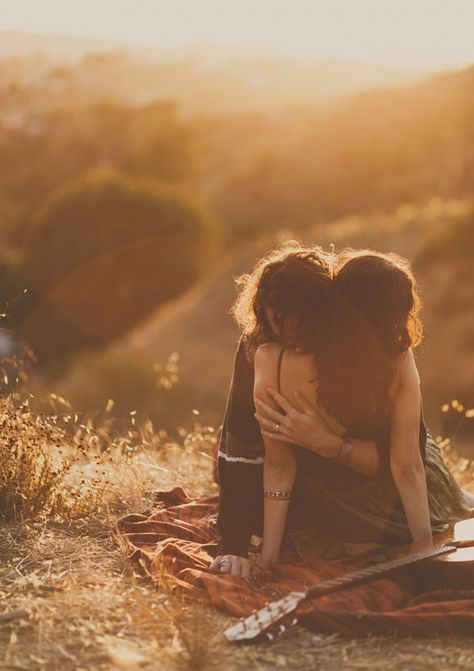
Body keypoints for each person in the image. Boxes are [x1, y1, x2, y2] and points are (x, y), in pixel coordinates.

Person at [210, 245, 470, 578]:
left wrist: (330, 444)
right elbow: (245, 449)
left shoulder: (389, 357)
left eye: (303, 323)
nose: (291, 334)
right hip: (318, 481)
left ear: (330, 312)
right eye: (278, 321)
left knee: (430, 498)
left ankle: (458, 502)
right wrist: (234, 546)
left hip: (385, 477)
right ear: (264, 313)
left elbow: (406, 463)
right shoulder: (261, 351)